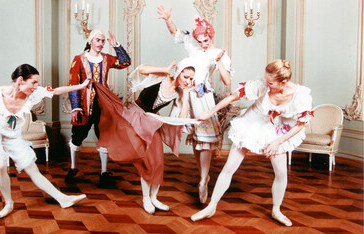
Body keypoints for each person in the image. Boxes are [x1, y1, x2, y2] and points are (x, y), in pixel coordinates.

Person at [190, 59, 314, 227]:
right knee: (229, 168)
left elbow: (300, 124)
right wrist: (210, 112)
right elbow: (233, 97)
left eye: (271, 82)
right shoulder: (261, 85)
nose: (266, 84)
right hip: (251, 123)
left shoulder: (300, 94)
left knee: (281, 173)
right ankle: (211, 207)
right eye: (266, 80)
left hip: (276, 131)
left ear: (283, 82)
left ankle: (276, 210)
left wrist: (277, 142)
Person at [0, 64, 88, 219]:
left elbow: (56, 91)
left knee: (32, 169)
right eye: (33, 82)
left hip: (12, 134)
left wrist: (81, 85)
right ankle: (8, 203)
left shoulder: (33, 94)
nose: (36, 87)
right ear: (20, 80)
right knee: (0, 165)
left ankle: (63, 199)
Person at [93, 58, 200, 214]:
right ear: (179, 72)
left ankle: (154, 197)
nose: (188, 81)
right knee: (145, 161)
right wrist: (165, 68)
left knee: (158, 161)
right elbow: (142, 69)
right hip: (135, 117)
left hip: (151, 121)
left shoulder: (179, 93)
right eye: (186, 76)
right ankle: (146, 198)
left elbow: (181, 119)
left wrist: (186, 94)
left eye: (191, 78)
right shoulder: (163, 76)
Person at [157, 5, 233, 204]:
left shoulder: (219, 53)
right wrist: (167, 19)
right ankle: (203, 177)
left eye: (205, 40)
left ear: (211, 35)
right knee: (195, 139)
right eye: (200, 41)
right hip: (185, 95)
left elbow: (227, 81)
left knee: (205, 139)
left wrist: (219, 63)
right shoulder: (192, 42)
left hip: (202, 97)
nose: (203, 44)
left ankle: (203, 179)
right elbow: (175, 31)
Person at [66, 29, 131, 187]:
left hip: (103, 105)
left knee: (104, 137)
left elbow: (125, 62)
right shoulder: (79, 59)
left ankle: (103, 172)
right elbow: (73, 85)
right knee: (77, 137)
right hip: (84, 105)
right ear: (90, 41)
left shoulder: (107, 59)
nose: (101, 44)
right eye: (98, 40)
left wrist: (116, 45)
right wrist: (75, 108)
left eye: (103, 41)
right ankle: (73, 167)